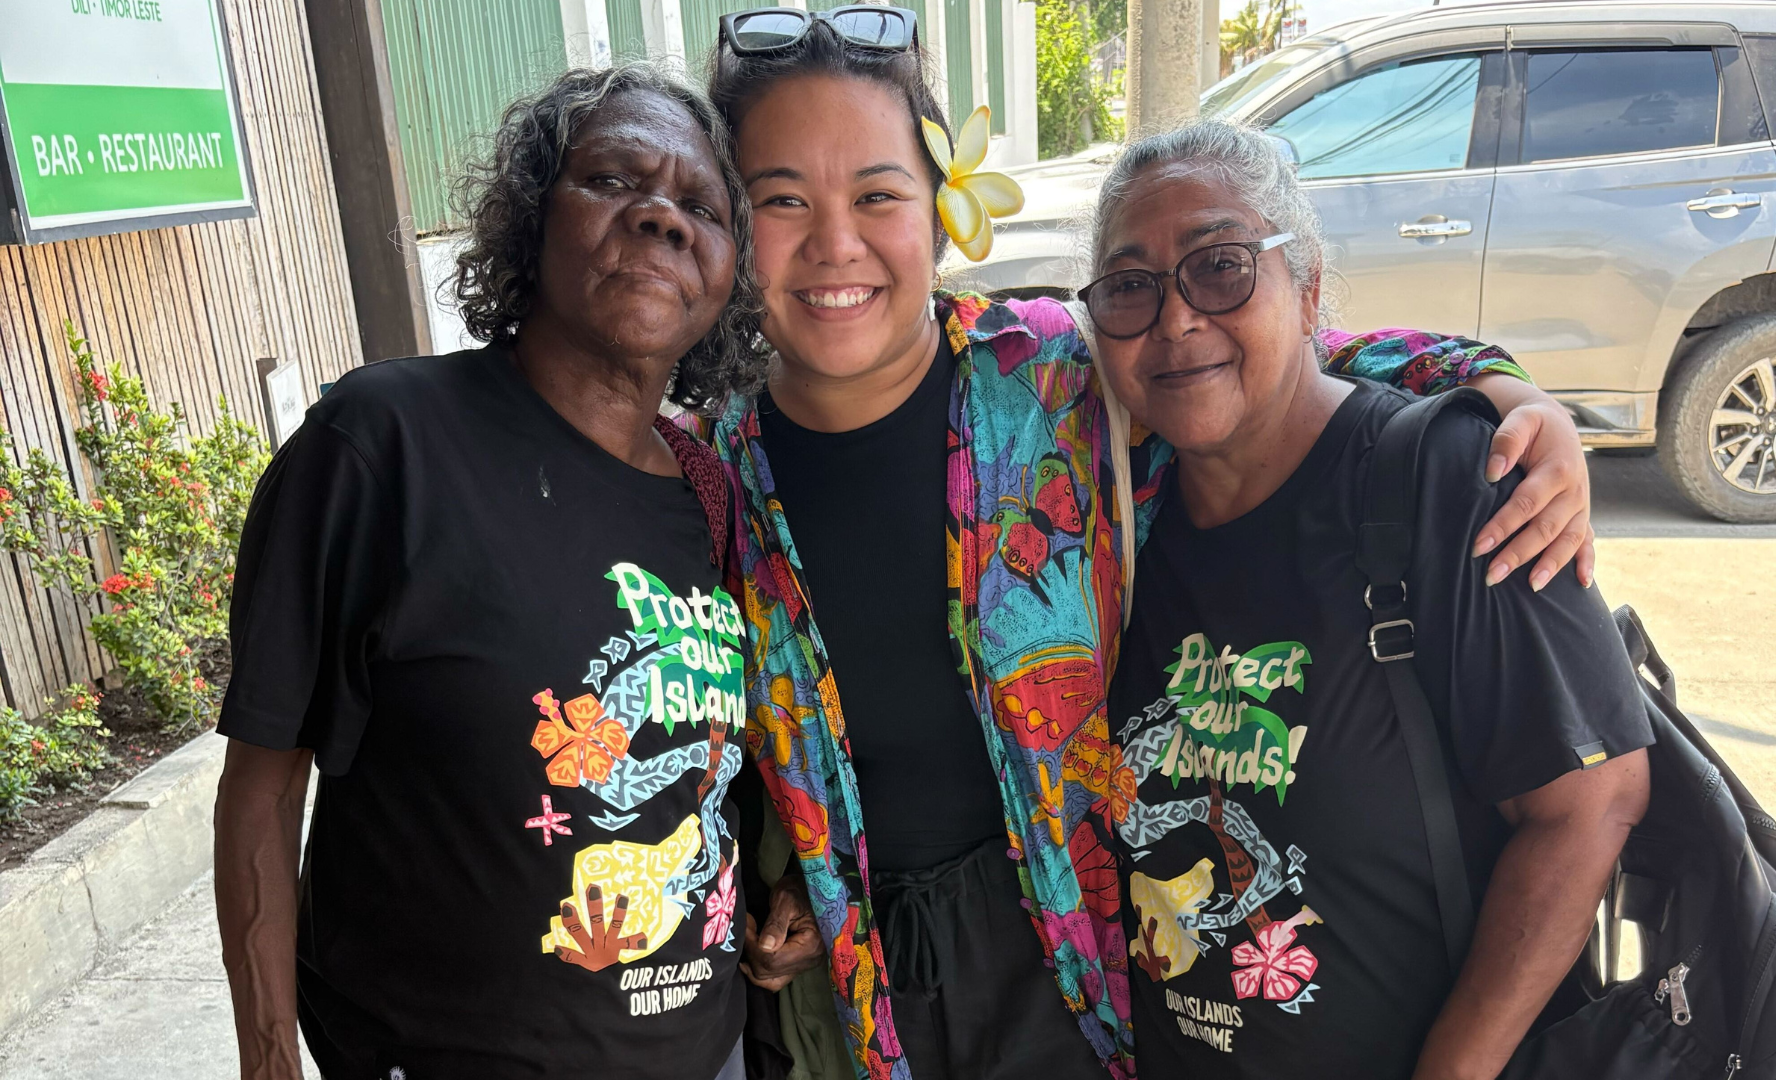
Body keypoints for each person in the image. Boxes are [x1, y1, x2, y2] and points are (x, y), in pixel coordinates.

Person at [702, 14, 1605, 1080]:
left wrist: (1492, 383)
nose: (835, 243)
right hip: (855, 980)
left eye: (877, 193)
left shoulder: (1039, 374)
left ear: (939, 211)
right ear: (727, 221)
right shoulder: (716, 463)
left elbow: (1250, 360)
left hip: (1081, 962)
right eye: (780, 199)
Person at [211, 64, 770, 1080]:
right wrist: (266, 1059)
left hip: (707, 1052)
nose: (661, 218)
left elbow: (708, 778)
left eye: (702, 206)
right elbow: (261, 779)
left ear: (730, 270)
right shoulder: (384, 443)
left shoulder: (711, 489)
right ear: (532, 216)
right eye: (612, 179)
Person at [1090, 121, 1655, 1080]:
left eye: (1221, 266)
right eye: (1130, 286)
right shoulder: (1111, 509)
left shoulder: (1443, 481)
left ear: (1307, 287)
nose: (1175, 319)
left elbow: (1595, 802)